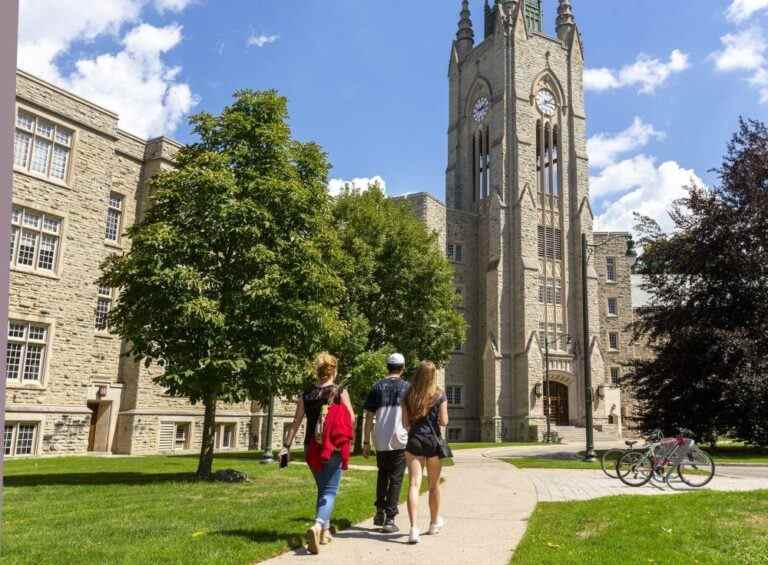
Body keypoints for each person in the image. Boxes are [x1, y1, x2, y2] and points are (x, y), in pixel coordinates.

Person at [283, 352, 356, 555]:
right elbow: (351, 419)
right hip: (332, 445)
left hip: (310, 447)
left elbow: (296, 421)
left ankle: (324, 533)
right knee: (330, 491)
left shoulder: (306, 393)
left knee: (322, 489)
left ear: (318, 371)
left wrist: (286, 446)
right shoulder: (340, 391)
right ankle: (316, 526)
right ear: (335, 370)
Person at [401, 360, 448, 544]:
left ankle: (413, 528)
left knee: (414, 484)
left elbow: (405, 423)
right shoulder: (439, 394)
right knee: (434, 485)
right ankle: (434, 522)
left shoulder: (408, 394)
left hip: (414, 442)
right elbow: (444, 421)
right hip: (432, 443)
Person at [362, 353, 410, 533]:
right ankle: (390, 519)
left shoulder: (377, 386)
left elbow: (368, 416)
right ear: (403, 368)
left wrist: (366, 442)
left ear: (387, 367)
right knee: (396, 479)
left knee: (383, 475)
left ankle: (379, 511)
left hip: (380, 439)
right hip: (400, 439)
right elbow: (410, 416)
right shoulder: (407, 387)